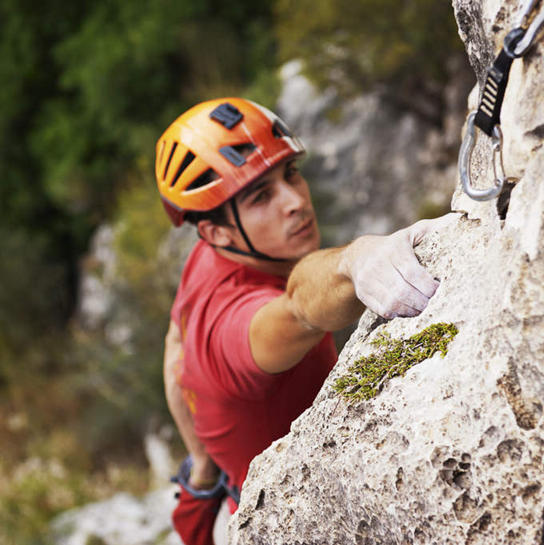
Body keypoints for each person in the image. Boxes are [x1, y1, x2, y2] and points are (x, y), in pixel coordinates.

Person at [158, 98, 453, 545]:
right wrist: (352, 263)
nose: (295, 201)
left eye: (291, 174)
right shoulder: (236, 330)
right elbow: (298, 307)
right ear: (217, 232)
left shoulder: (206, 258)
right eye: (261, 197)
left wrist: (202, 463)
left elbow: (174, 346)